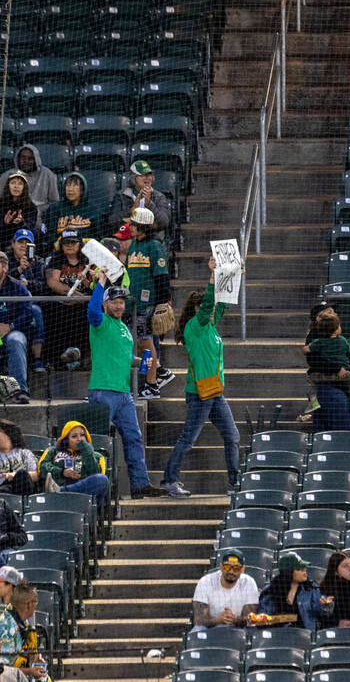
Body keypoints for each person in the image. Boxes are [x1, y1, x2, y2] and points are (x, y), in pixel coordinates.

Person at [162, 259, 240, 496]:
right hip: (199, 393)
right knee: (188, 438)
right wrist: (213, 276)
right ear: (198, 309)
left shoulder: (210, 327)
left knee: (232, 436)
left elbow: (222, 303)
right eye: (208, 307)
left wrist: (233, 273)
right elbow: (210, 304)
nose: (214, 309)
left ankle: (234, 484)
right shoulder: (195, 326)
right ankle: (169, 480)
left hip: (214, 391)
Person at [86, 269, 165, 499]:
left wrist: (142, 361)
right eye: (115, 302)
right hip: (103, 391)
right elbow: (92, 311)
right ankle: (96, 489)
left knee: (133, 438)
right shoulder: (99, 323)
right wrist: (100, 282)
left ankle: (140, 485)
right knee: (99, 441)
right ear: (105, 304)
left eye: (122, 302)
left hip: (123, 393)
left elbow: (123, 357)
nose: (120, 306)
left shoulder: (122, 327)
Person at [125, 208, 175, 399]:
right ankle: (159, 373)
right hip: (132, 303)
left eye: (133, 224)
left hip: (147, 304)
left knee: (146, 343)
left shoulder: (154, 246)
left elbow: (162, 277)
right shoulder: (133, 246)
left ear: (143, 227)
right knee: (139, 344)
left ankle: (152, 385)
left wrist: (162, 303)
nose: (130, 227)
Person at [0, 250, 34, 403]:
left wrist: (10, 326)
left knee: (15, 341)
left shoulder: (17, 286)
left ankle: (19, 390)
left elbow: (28, 313)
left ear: (5, 267)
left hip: (13, 330)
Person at [42, 228, 94, 367]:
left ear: (79, 244)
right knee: (56, 315)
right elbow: (52, 282)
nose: (70, 245)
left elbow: (93, 284)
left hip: (83, 305)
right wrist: (71, 294)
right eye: (66, 243)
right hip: (61, 304)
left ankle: (82, 358)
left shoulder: (87, 260)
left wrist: (82, 297)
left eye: (73, 242)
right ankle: (58, 360)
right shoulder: (57, 259)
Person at [256, 552, 334, 632]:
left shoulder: (311, 590)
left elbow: (324, 614)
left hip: (304, 638)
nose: (305, 569)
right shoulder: (271, 591)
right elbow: (261, 621)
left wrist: (326, 606)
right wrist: (288, 618)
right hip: (278, 638)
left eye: (304, 567)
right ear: (288, 572)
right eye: (300, 568)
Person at [37, 421, 110, 503]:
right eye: (74, 436)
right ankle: (59, 490)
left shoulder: (97, 456)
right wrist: (62, 472)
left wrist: (88, 453)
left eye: (82, 435)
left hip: (84, 499)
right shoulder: (52, 452)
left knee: (102, 479)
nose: (79, 439)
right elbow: (41, 469)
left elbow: (96, 475)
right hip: (57, 499)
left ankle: (60, 491)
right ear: (66, 439)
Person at [191, 549, 260, 631]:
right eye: (227, 567)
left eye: (236, 568)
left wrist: (235, 619)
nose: (231, 571)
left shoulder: (249, 583)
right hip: (211, 628)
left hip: (238, 629)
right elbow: (198, 620)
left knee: (251, 629)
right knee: (198, 629)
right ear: (221, 567)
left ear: (242, 569)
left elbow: (250, 619)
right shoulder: (205, 582)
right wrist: (218, 620)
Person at [0, 145, 59, 219]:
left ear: (36, 159)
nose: (26, 161)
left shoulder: (47, 174)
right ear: (18, 158)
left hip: (40, 220)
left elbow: (55, 202)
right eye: (23, 158)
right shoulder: (8, 175)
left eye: (30, 158)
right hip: (11, 219)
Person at [109, 160, 171, 237]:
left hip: (152, 238)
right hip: (127, 237)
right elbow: (112, 221)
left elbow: (164, 222)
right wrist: (132, 210)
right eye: (142, 175)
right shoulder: (121, 196)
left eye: (149, 175)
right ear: (133, 178)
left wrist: (149, 204)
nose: (147, 178)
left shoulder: (159, 197)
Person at [0, 419, 37, 497]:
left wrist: (14, 475)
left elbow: (36, 475)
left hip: (18, 491)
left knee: (22, 474)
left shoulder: (24, 453)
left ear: (8, 434)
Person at [43, 171, 104, 243]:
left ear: (82, 189)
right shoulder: (54, 208)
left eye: (75, 185)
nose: (70, 189)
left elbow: (98, 237)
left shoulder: (93, 211)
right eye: (68, 185)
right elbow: (49, 236)